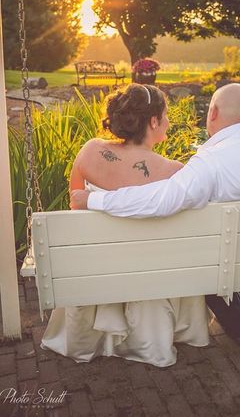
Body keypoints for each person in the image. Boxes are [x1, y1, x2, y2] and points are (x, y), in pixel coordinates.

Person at [71, 83, 240, 340]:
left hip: (103, 263)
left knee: (210, 251)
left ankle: (239, 314)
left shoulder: (209, 162)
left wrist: (93, 201)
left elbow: (162, 201)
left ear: (212, 112)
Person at [41, 84, 210, 367]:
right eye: (165, 115)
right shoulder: (173, 171)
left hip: (96, 264)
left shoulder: (91, 150)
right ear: (153, 121)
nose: (168, 121)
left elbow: (75, 207)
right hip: (148, 267)